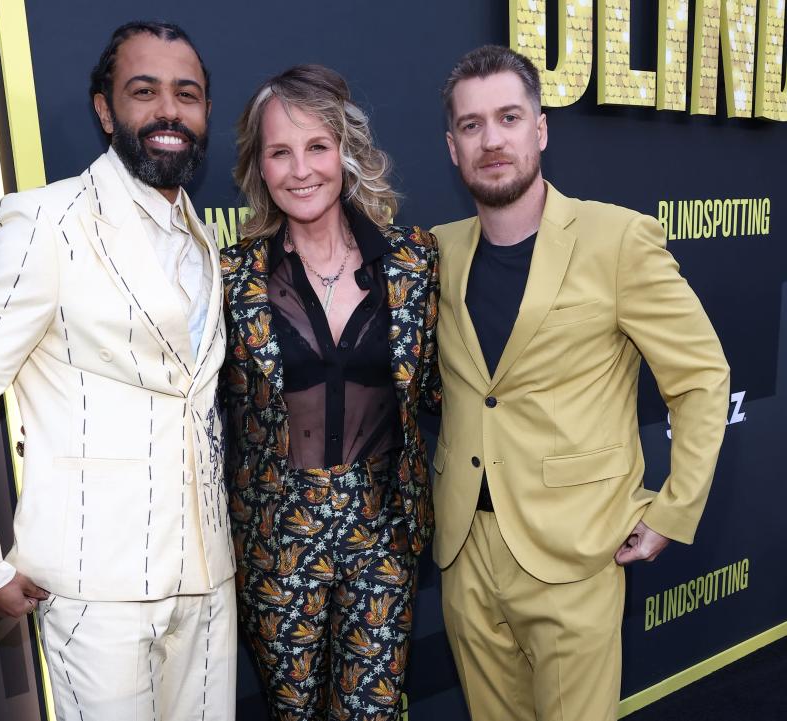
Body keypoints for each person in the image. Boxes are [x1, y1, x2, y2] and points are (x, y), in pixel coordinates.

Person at [0, 21, 236, 721]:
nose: (168, 111)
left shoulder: (202, 237)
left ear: (206, 112)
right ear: (105, 108)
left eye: (187, 94)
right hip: (96, 588)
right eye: (143, 91)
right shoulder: (43, 222)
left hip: (210, 577)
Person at [430, 45, 730, 721]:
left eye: (508, 117)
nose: (492, 139)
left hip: (574, 549)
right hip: (464, 554)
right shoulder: (436, 252)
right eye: (471, 125)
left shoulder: (617, 239)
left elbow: (701, 377)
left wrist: (672, 509)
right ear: (452, 148)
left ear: (539, 129)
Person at [220, 64, 439, 721]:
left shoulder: (412, 262)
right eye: (279, 152)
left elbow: (442, 388)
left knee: (372, 712)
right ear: (258, 167)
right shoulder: (232, 277)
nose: (300, 169)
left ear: (346, 152)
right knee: (293, 713)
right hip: (276, 541)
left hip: (384, 535)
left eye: (316, 146)